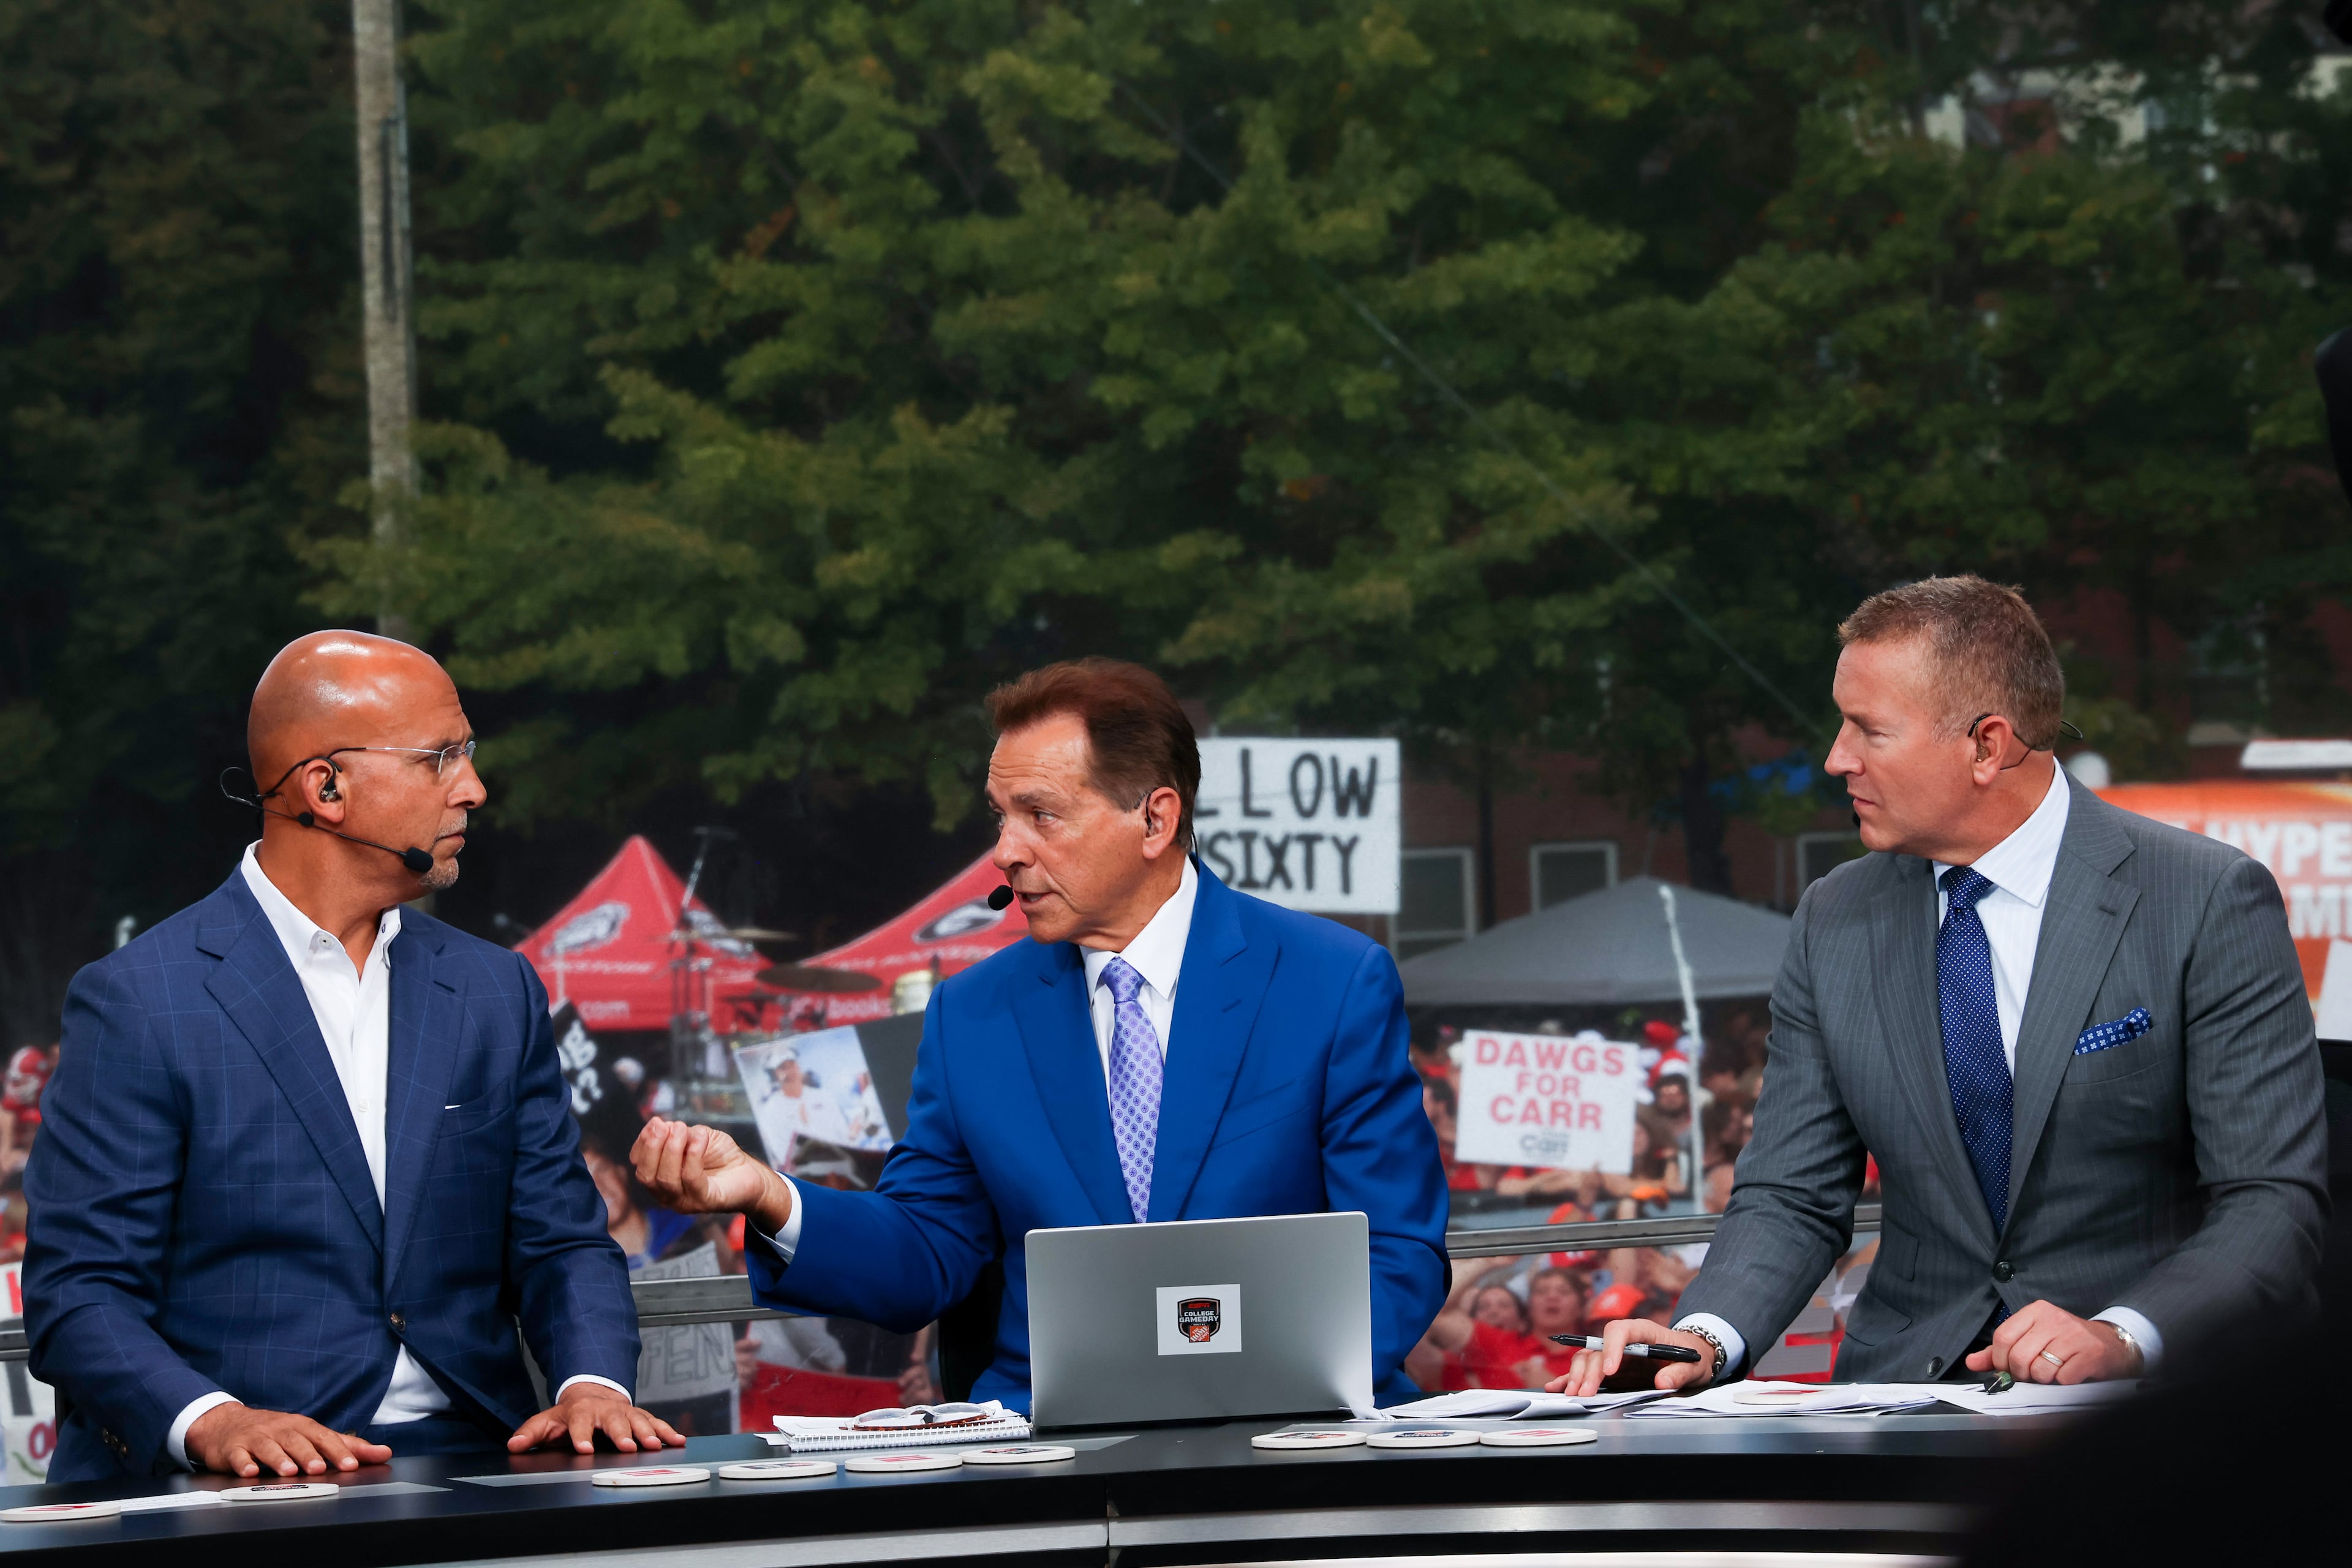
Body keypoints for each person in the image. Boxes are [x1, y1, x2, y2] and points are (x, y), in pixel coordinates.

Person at [1553, 576, 2328, 1396]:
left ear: (1988, 746)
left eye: (1869, 730)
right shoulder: (1834, 917)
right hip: (1902, 1403)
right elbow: (1792, 1192)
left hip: (2145, 1417)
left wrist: (2123, 1334)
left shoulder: (2204, 899)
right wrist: (1701, 1339)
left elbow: (2270, 1202)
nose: (1835, 758)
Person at [633, 657, 1450, 1408]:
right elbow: (927, 1251)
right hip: (1052, 1457)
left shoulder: (1331, 982)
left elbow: (1398, 1253)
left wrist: (1253, 1391)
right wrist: (769, 1197)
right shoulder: (971, 1017)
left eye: (1041, 815)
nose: (1005, 852)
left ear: (1155, 819)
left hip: (1291, 1433)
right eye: (1001, 815)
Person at [24, 631, 675, 1483]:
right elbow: (79, 1294)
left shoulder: (497, 991)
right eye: (440, 758)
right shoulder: (138, 1001)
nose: (473, 790)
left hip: (478, 1462)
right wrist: (211, 1422)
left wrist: (594, 1387)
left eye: (467, 756)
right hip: (223, 1485)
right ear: (324, 787)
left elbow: (563, 1244)